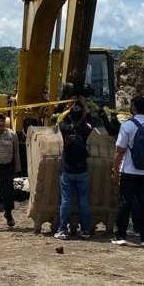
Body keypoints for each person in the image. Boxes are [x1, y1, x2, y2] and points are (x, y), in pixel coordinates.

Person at [112, 95, 144, 247]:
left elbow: (119, 150)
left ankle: (120, 236)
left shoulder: (127, 126)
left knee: (125, 203)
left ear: (133, 107)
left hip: (129, 171)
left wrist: (115, 169)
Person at [55, 102, 93, 240]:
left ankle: (63, 229)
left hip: (67, 170)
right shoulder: (86, 129)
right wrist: (85, 108)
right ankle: (85, 230)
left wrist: (67, 108)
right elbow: (90, 120)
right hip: (82, 170)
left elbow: (59, 119)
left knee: (66, 200)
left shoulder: (64, 127)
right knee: (84, 201)